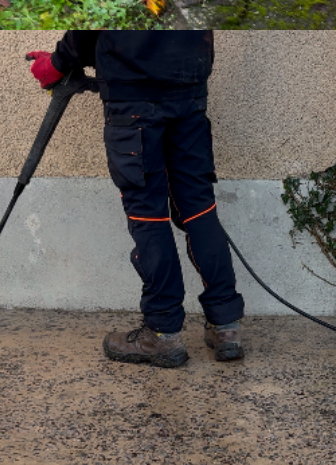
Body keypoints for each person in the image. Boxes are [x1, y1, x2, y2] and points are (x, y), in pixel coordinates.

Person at [26, 31, 244, 367]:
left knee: (149, 215)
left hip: (134, 103)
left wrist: (56, 63)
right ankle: (226, 326)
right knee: (199, 208)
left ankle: (162, 334)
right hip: (189, 90)